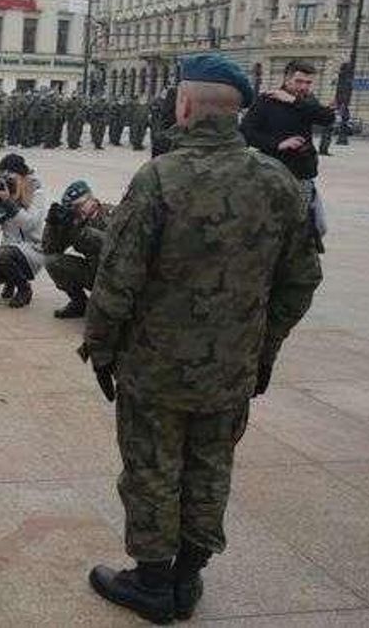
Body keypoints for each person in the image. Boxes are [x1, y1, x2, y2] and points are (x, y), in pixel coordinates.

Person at [82, 54, 322, 624]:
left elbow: (117, 278)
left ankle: (152, 582)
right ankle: (187, 578)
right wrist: (264, 348)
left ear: (185, 104)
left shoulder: (160, 177)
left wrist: (101, 346)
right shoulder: (278, 181)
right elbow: (301, 280)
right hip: (232, 367)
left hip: (156, 368)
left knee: (152, 468)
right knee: (210, 467)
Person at [240, 60, 335, 251]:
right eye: (299, 81)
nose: (304, 87)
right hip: (271, 175)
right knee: (269, 225)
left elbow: (327, 118)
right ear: (286, 78)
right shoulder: (267, 100)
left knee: (302, 226)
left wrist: (293, 101)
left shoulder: (307, 102)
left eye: (308, 83)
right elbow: (246, 133)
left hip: (302, 174)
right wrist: (278, 144)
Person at [42, 180, 114, 319]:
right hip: (94, 273)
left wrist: (82, 232)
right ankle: (79, 303)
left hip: (115, 278)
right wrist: (52, 225)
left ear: (91, 199)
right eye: (72, 208)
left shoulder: (112, 214)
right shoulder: (75, 221)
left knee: (105, 320)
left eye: (79, 205)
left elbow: (114, 246)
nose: (76, 210)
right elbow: (49, 250)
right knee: (52, 262)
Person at [0, 153, 47, 309]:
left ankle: (24, 288)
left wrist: (8, 202)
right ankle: (10, 279)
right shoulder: (4, 191)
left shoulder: (36, 193)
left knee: (1, 254)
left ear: (22, 176)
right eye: (4, 178)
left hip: (32, 252)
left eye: (11, 178)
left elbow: (29, 224)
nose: (8, 182)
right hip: (8, 250)